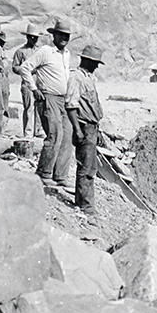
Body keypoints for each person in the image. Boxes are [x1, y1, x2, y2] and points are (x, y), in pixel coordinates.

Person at [20, 18, 75, 192]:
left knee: (68, 135)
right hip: (48, 97)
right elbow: (25, 68)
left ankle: (60, 175)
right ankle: (44, 173)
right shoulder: (45, 51)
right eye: (61, 35)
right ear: (54, 35)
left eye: (67, 35)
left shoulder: (67, 54)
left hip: (64, 99)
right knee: (54, 134)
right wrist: (34, 88)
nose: (64, 38)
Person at [65, 45, 104, 217]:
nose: (97, 66)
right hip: (83, 126)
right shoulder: (76, 78)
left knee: (90, 167)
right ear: (87, 60)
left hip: (91, 127)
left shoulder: (88, 78)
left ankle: (83, 202)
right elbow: (71, 106)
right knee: (86, 168)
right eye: (95, 62)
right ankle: (86, 206)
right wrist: (77, 130)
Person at [12, 23, 45, 138]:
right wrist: (26, 70)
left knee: (40, 106)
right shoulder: (20, 52)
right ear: (27, 37)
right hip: (27, 81)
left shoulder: (41, 51)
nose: (34, 39)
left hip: (40, 80)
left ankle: (38, 129)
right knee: (29, 106)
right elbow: (15, 67)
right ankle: (28, 131)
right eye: (31, 37)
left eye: (36, 37)